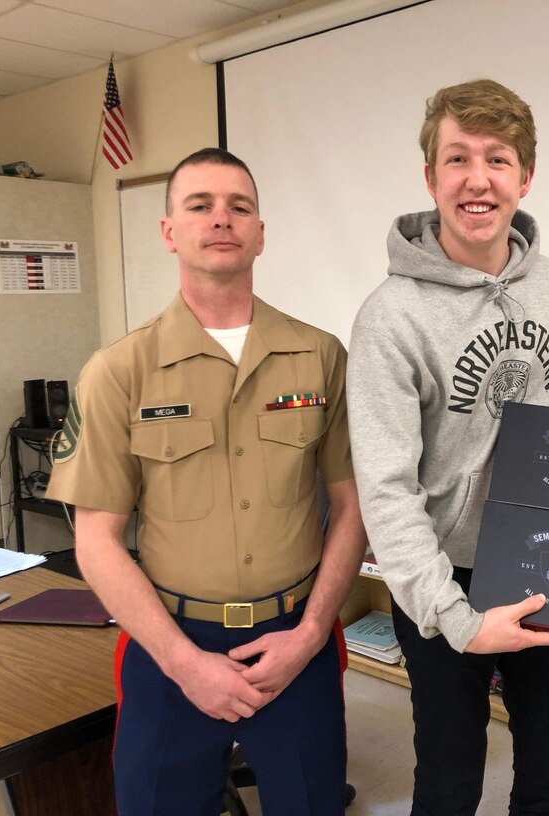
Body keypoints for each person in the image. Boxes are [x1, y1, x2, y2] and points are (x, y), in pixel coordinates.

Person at [46, 147, 366, 816]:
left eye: (239, 206)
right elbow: (96, 540)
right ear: (169, 231)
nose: (222, 219)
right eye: (200, 205)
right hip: (171, 646)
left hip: (295, 641)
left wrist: (308, 637)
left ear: (260, 232)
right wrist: (186, 664)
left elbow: (351, 505)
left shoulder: (319, 356)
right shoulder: (119, 370)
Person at [346, 79, 549, 816]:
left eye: (497, 159)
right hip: (442, 575)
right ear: (430, 177)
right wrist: (457, 619)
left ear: (524, 178)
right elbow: (386, 489)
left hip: (539, 556)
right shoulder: (390, 317)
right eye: (457, 158)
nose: (477, 178)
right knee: (452, 779)